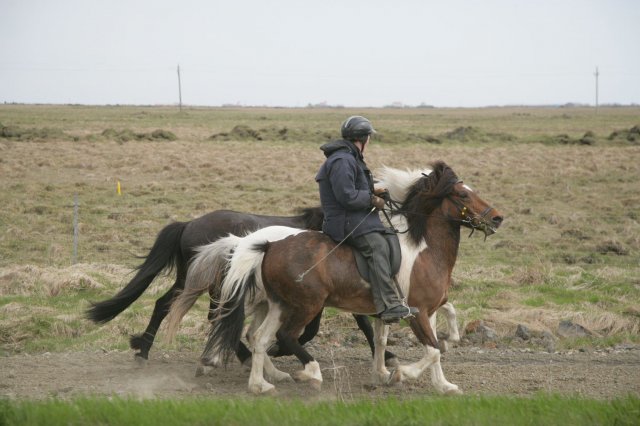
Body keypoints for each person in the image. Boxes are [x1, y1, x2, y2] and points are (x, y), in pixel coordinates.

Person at [315, 115, 419, 323]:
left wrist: (375, 190)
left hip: (354, 218)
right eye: (369, 137)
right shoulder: (343, 161)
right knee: (377, 246)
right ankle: (388, 305)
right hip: (345, 222)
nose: (369, 141)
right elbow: (346, 196)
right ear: (363, 138)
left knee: (389, 238)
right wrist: (371, 199)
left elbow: (354, 188)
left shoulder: (350, 157)